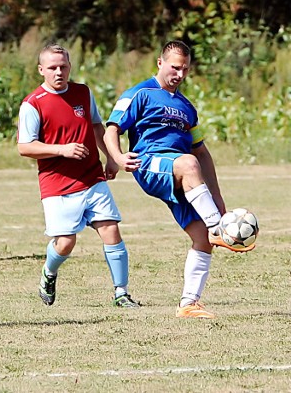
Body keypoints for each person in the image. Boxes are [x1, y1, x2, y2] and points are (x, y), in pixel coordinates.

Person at [104, 40, 248, 320]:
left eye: (185, 69)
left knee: (202, 237)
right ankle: (219, 229)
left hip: (183, 174)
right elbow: (112, 129)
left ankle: (189, 303)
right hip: (150, 163)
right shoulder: (139, 94)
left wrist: (217, 200)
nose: (179, 75)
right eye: (174, 67)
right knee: (188, 163)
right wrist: (119, 158)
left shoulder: (186, 107)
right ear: (160, 63)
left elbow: (202, 153)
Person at [17, 44, 140, 309]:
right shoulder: (32, 104)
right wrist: (61, 149)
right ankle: (49, 273)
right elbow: (25, 147)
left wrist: (110, 158)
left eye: (63, 66)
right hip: (57, 184)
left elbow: (97, 125)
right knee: (65, 243)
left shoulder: (82, 92)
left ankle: (121, 293)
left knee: (111, 230)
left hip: (92, 177)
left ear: (70, 66)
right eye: (52, 68)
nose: (58, 72)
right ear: (41, 70)